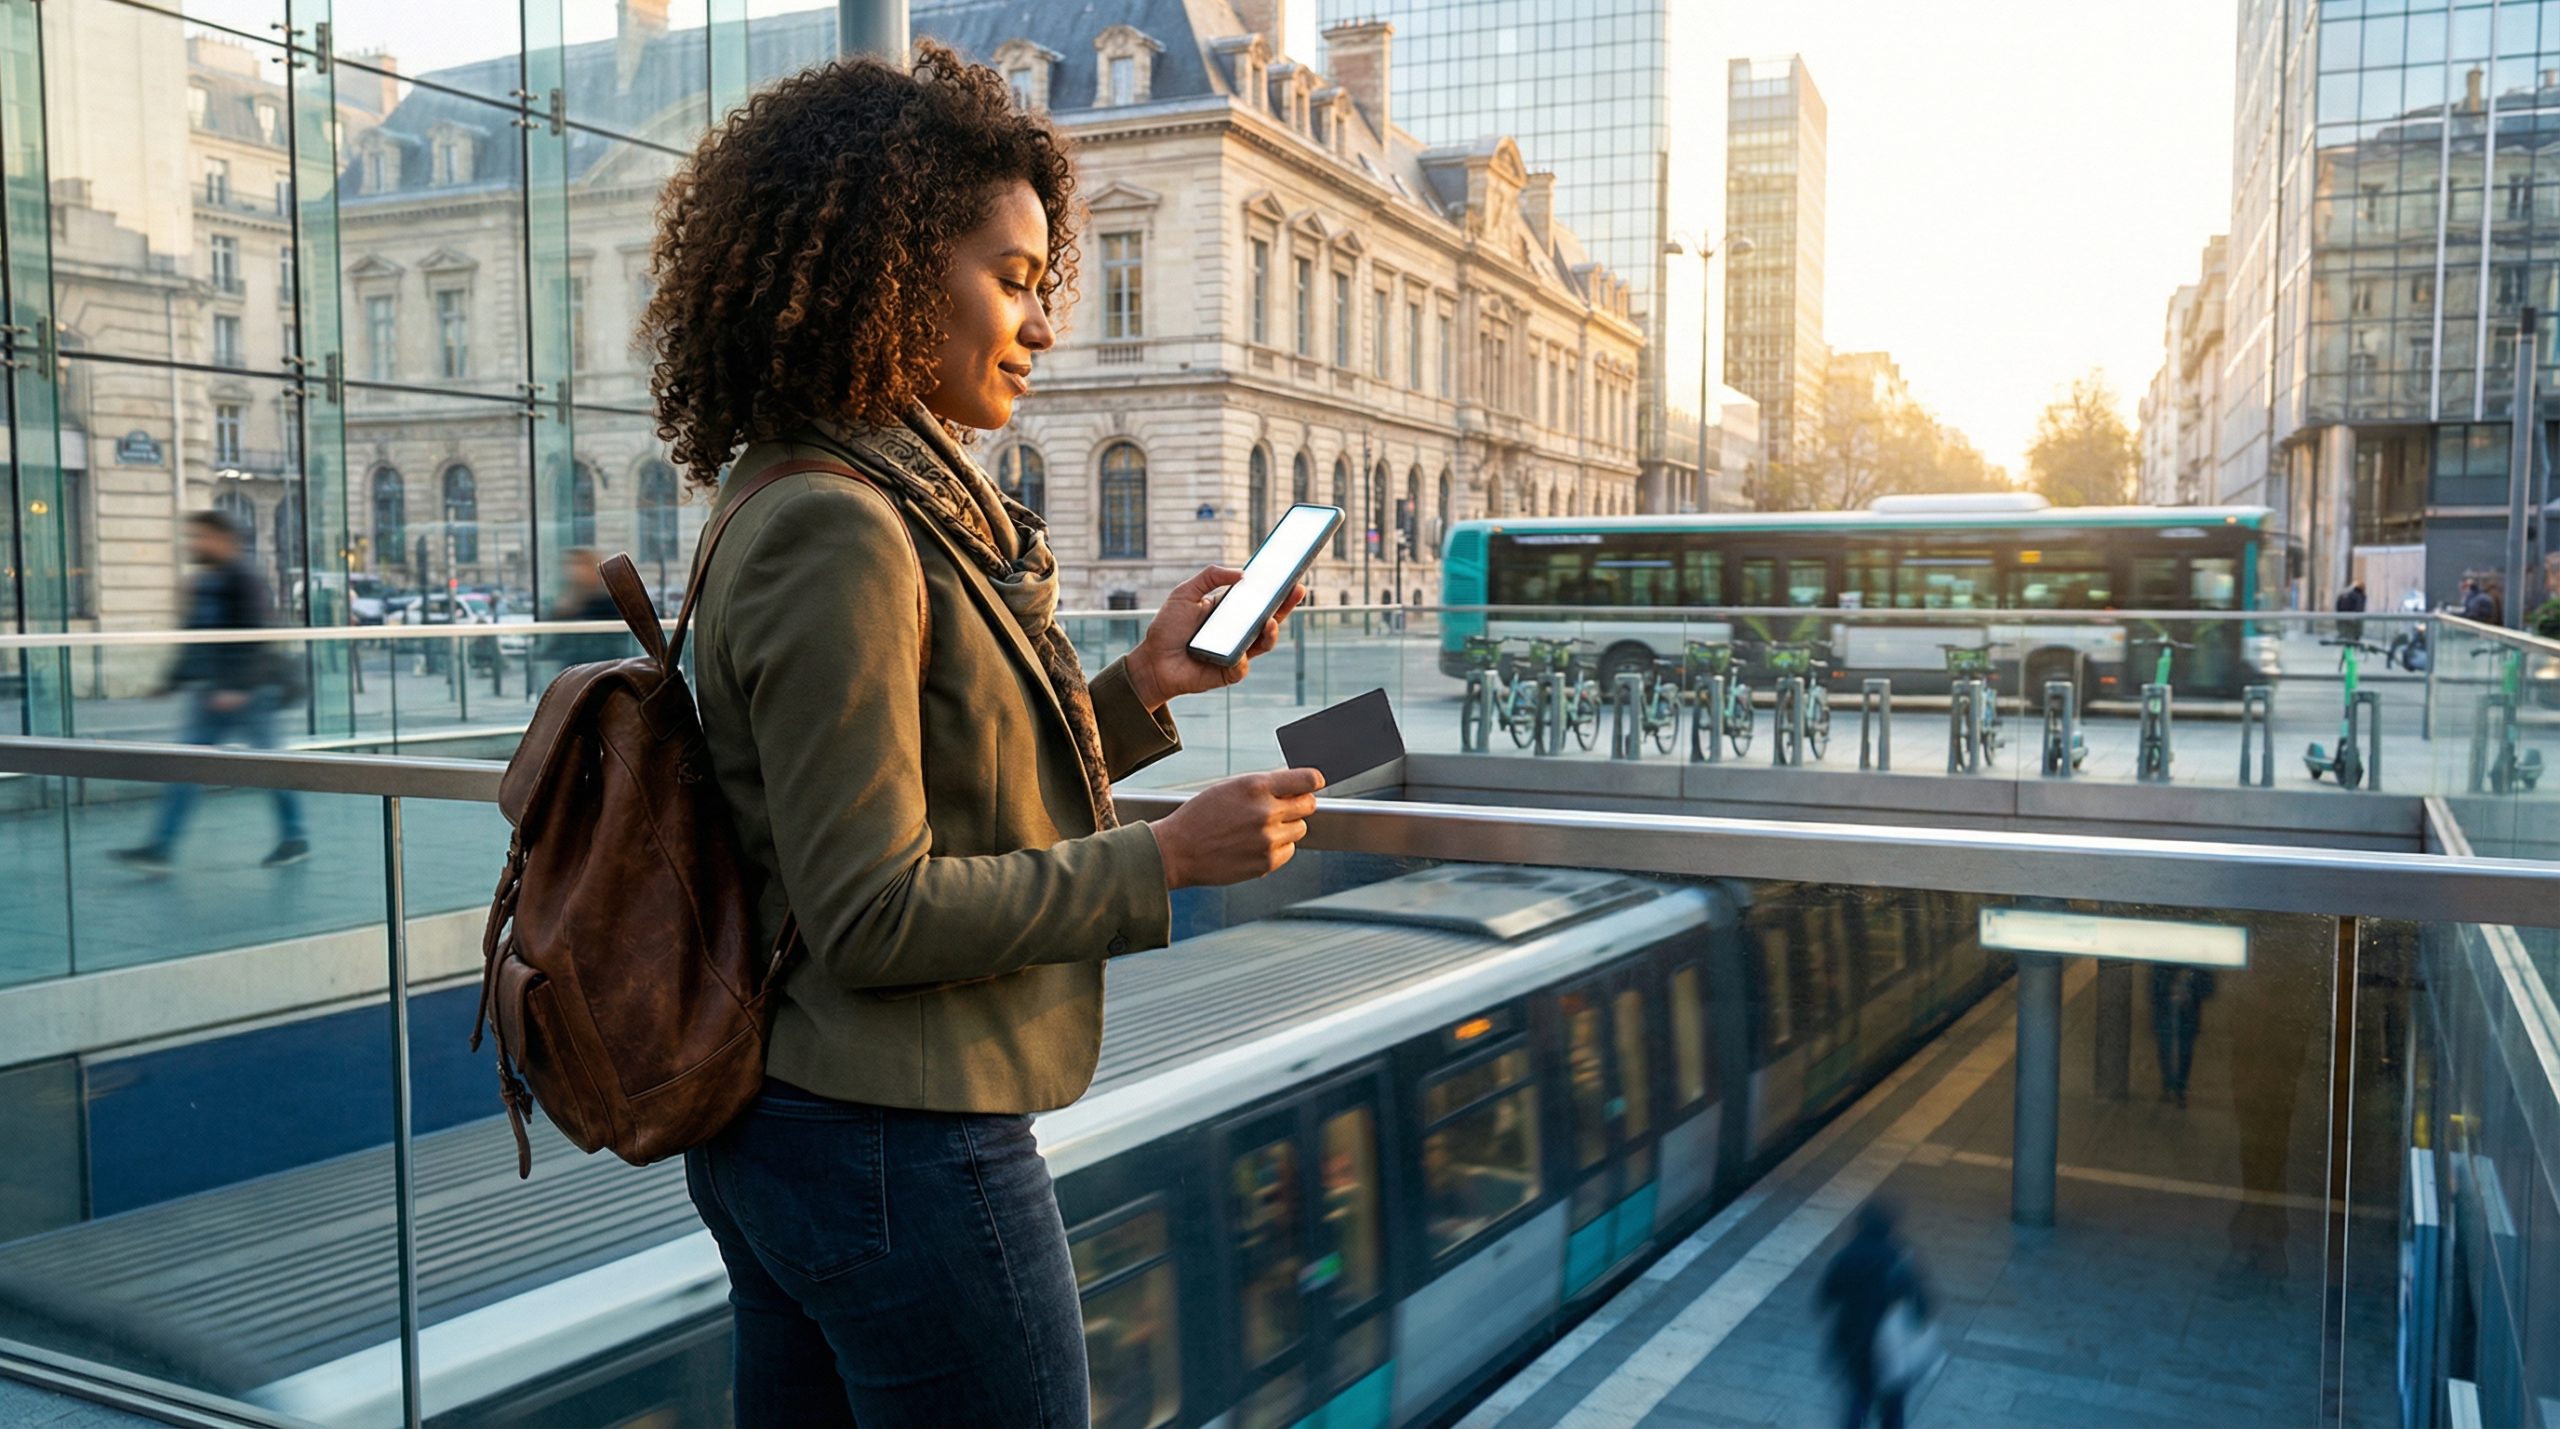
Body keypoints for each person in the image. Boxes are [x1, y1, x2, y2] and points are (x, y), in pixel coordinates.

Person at [643, 44, 1320, 1427]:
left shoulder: (833, 491)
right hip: (892, 1141)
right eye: (1010, 279)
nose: (1041, 322)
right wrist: (1169, 862)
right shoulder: (842, 525)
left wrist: (1139, 690)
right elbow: (876, 912)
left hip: (808, 1129)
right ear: (887, 276)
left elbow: (935, 781)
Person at [114, 510, 309, 873]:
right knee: (187, 766)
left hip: (250, 693)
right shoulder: (204, 582)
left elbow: (257, 638)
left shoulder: (244, 579)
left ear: (223, 539)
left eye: (201, 537)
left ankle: (295, 837)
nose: (194, 544)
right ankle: (161, 847)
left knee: (271, 767)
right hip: (213, 692)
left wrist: (239, 688)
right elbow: (194, 639)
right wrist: (170, 681)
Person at [1820, 1201, 1934, 1429]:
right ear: (1889, 1228)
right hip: (1893, 1347)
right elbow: (1922, 1306)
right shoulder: (1900, 1256)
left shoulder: (1845, 1255)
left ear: (1860, 1225)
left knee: (1858, 1399)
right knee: (1892, 1406)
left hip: (1855, 1344)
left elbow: (1826, 1296)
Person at [541, 546, 627, 673]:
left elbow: (614, 643)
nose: (574, 570)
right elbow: (556, 643)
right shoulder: (567, 601)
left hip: (601, 671)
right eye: (571, 565)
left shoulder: (608, 603)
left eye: (580, 564)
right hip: (572, 671)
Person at [2151, 962, 2216, 1107]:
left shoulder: (2198, 961)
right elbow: (2154, 986)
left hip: (2186, 1013)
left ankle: (2178, 1088)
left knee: (2183, 1050)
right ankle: (2171, 1085)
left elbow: (2208, 988)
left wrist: (2190, 989)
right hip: (2169, 1012)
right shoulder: (2164, 961)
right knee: (2167, 1048)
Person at [2334, 580, 2366, 644]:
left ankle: (2344, 652)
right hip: (2353, 622)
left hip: (2342, 620)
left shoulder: (2343, 594)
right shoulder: (2360, 596)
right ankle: (2349, 652)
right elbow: (2359, 609)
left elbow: (2338, 606)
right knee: (2352, 642)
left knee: (2343, 639)